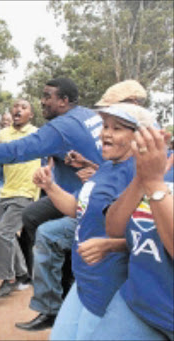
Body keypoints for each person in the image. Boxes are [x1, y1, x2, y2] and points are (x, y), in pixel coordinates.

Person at [0, 77, 105, 326]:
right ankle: (57, 276)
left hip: (88, 202)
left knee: (47, 236)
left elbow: (15, 151)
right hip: (69, 193)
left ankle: (52, 306)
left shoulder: (61, 127)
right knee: (31, 217)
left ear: (64, 100)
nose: (43, 101)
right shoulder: (87, 114)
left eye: (48, 96)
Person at [37, 104, 155, 340]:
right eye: (105, 126)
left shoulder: (137, 175)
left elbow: (149, 238)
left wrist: (111, 245)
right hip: (83, 281)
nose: (105, 133)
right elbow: (77, 210)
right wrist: (49, 187)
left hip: (107, 287)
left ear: (139, 136)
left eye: (117, 128)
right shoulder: (107, 167)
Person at [91, 127, 173, 340]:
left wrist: (154, 183)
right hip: (138, 305)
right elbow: (114, 227)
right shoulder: (161, 162)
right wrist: (142, 177)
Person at [0, 99, 40, 298]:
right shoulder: (2, 134)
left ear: (31, 114)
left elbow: (52, 157)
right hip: (5, 192)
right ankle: (22, 273)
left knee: (2, 233)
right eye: (16, 107)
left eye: (24, 107)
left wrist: (46, 177)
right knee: (8, 234)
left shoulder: (37, 134)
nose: (18, 110)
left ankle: (8, 278)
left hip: (26, 192)